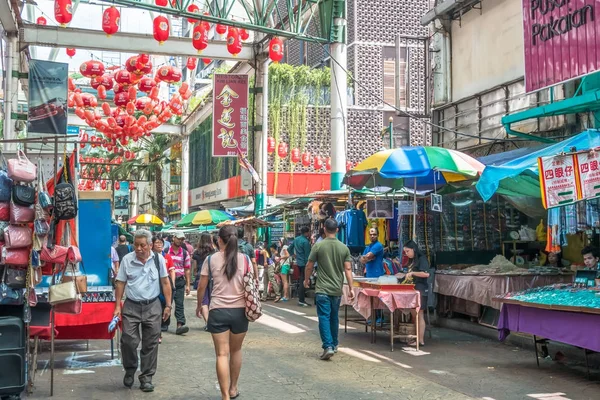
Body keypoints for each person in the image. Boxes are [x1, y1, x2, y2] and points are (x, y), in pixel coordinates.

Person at [196, 226, 252, 400]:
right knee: (236, 351)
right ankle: (234, 388)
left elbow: (201, 286)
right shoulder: (245, 259)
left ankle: (225, 396)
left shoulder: (211, 259)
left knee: (221, 354)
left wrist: (200, 305)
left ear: (219, 240)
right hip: (240, 312)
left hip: (218, 310)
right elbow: (252, 283)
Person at [113, 229, 172, 392]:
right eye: (136, 245)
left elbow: (165, 283)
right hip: (131, 305)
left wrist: (168, 305)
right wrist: (117, 306)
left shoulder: (158, 260)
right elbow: (120, 283)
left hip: (152, 306)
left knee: (151, 342)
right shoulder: (127, 260)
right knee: (128, 340)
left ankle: (146, 377)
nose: (138, 248)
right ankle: (130, 369)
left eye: (142, 245)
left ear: (150, 245)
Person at [303, 219, 354, 360]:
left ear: (324, 229)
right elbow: (348, 269)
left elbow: (309, 265)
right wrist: (351, 288)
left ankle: (328, 346)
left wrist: (306, 280)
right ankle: (334, 344)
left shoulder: (318, 246)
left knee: (324, 317)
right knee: (333, 317)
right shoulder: (344, 248)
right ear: (337, 230)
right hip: (336, 289)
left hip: (322, 289)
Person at [395, 240, 430, 347]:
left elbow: (426, 274)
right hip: (413, 289)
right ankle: (417, 337)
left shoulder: (422, 259)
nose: (406, 253)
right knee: (414, 315)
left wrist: (413, 273)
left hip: (421, 290)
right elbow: (409, 273)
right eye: (405, 251)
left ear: (413, 249)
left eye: (408, 251)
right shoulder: (412, 260)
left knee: (419, 314)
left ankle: (420, 340)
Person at [167, 231, 192, 335]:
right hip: (167, 280)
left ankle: (180, 325)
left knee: (179, 303)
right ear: (174, 238)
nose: (180, 241)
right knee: (167, 303)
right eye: (179, 238)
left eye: (182, 239)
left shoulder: (185, 253)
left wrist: (188, 285)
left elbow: (187, 269)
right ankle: (164, 323)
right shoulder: (166, 251)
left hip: (179, 280)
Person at [360, 227, 385, 324]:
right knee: (371, 298)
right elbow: (362, 259)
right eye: (370, 234)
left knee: (378, 298)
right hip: (369, 275)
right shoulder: (368, 247)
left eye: (374, 234)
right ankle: (374, 317)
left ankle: (381, 317)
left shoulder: (378, 246)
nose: (372, 236)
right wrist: (368, 258)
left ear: (378, 235)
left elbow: (367, 256)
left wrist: (368, 258)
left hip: (377, 275)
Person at [153, 237, 176, 341]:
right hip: (153, 287)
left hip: (165, 287)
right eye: (156, 243)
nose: (159, 245)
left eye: (161, 243)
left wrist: (172, 285)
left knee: (164, 307)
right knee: (156, 311)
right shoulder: (149, 257)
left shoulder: (166, 256)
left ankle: (162, 327)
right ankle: (158, 334)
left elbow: (171, 271)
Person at [193, 233, 218, 329]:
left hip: (201, 276)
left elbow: (195, 267)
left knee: (204, 301)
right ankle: (211, 322)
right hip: (212, 278)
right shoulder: (214, 251)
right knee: (211, 300)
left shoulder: (196, 252)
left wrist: (195, 274)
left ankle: (208, 323)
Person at [290, 226, 312, 307]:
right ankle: (301, 300)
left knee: (300, 280)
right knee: (304, 280)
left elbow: (289, 249)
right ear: (306, 232)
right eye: (309, 232)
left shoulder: (296, 239)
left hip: (298, 262)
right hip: (304, 264)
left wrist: (294, 255)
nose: (309, 233)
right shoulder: (305, 242)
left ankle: (301, 299)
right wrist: (309, 266)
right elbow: (307, 256)